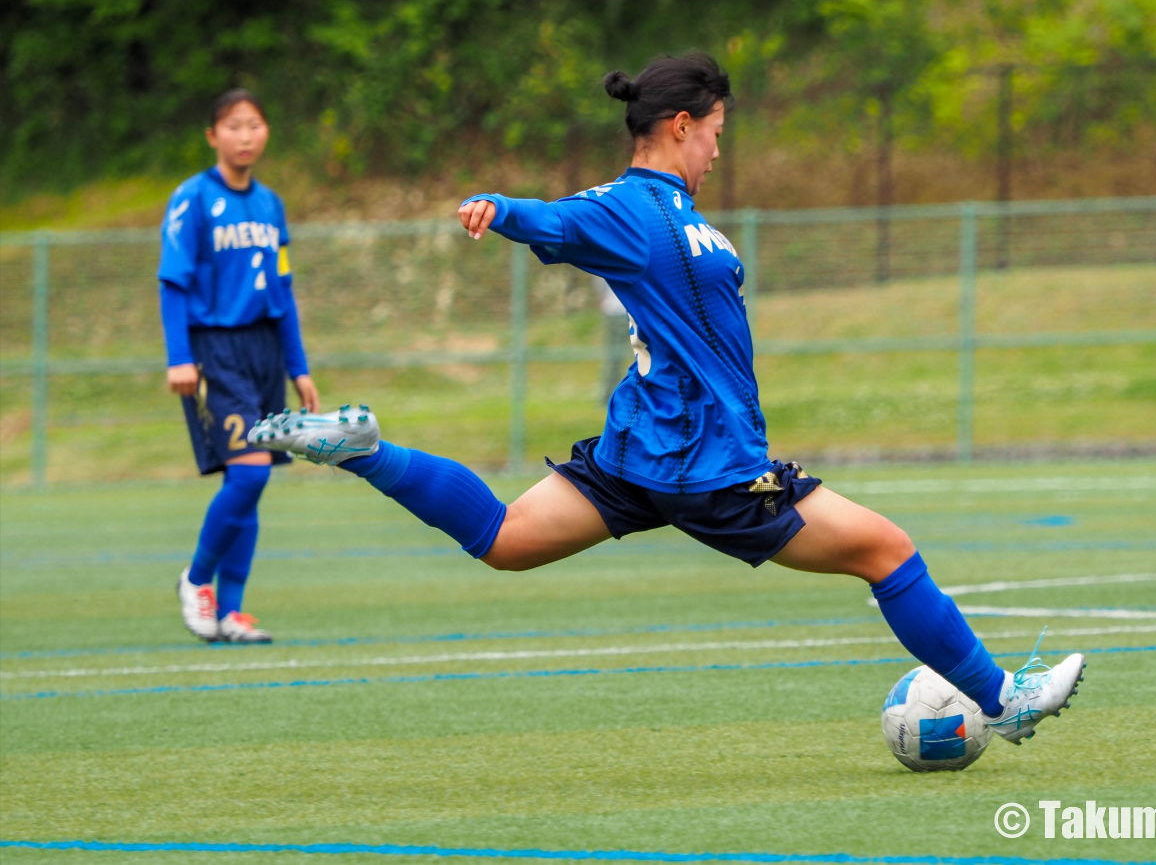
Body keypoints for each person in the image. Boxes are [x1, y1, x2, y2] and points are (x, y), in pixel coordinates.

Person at [250, 55, 1083, 742]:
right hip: (709, 463)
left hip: (640, 450)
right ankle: (1002, 700)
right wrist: (498, 209)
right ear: (682, 126)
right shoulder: (630, 208)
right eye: (717, 133)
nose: (720, 150)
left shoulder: (669, 213)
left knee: (502, 538)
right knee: (888, 551)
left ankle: (366, 452)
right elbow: (557, 221)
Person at [160, 88, 319, 644]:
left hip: (264, 354)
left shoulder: (269, 204)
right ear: (213, 136)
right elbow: (173, 282)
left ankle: (230, 612)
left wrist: (298, 369)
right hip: (217, 351)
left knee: (250, 481)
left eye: (254, 124)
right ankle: (196, 579)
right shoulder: (193, 199)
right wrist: (180, 357)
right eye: (233, 126)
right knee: (249, 471)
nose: (245, 135)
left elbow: (283, 290)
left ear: (266, 132)